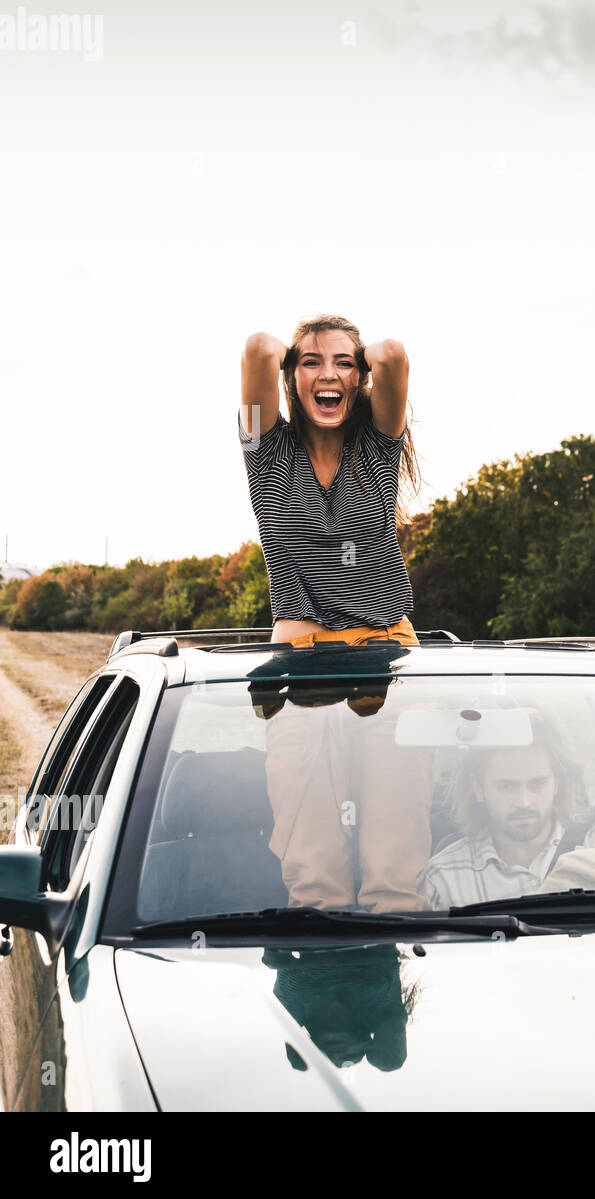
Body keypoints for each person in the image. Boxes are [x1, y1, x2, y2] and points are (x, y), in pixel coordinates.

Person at [239, 315, 433, 911]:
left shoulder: (379, 447)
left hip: (390, 655)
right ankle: (321, 980)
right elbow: (256, 348)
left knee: (394, 862)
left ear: (361, 377)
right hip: (300, 663)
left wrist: (349, 363)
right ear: (291, 375)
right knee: (312, 860)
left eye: (345, 364)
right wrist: (306, 355)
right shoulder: (263, 448)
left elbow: (395, 354)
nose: (329, 375)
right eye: (312, 364)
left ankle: (389, 968)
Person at [418, 721, 595, 910]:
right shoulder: (442, 879)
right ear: (478, 789)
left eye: (537, 783)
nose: (524, 802)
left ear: (557, 783)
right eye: (507, 786)